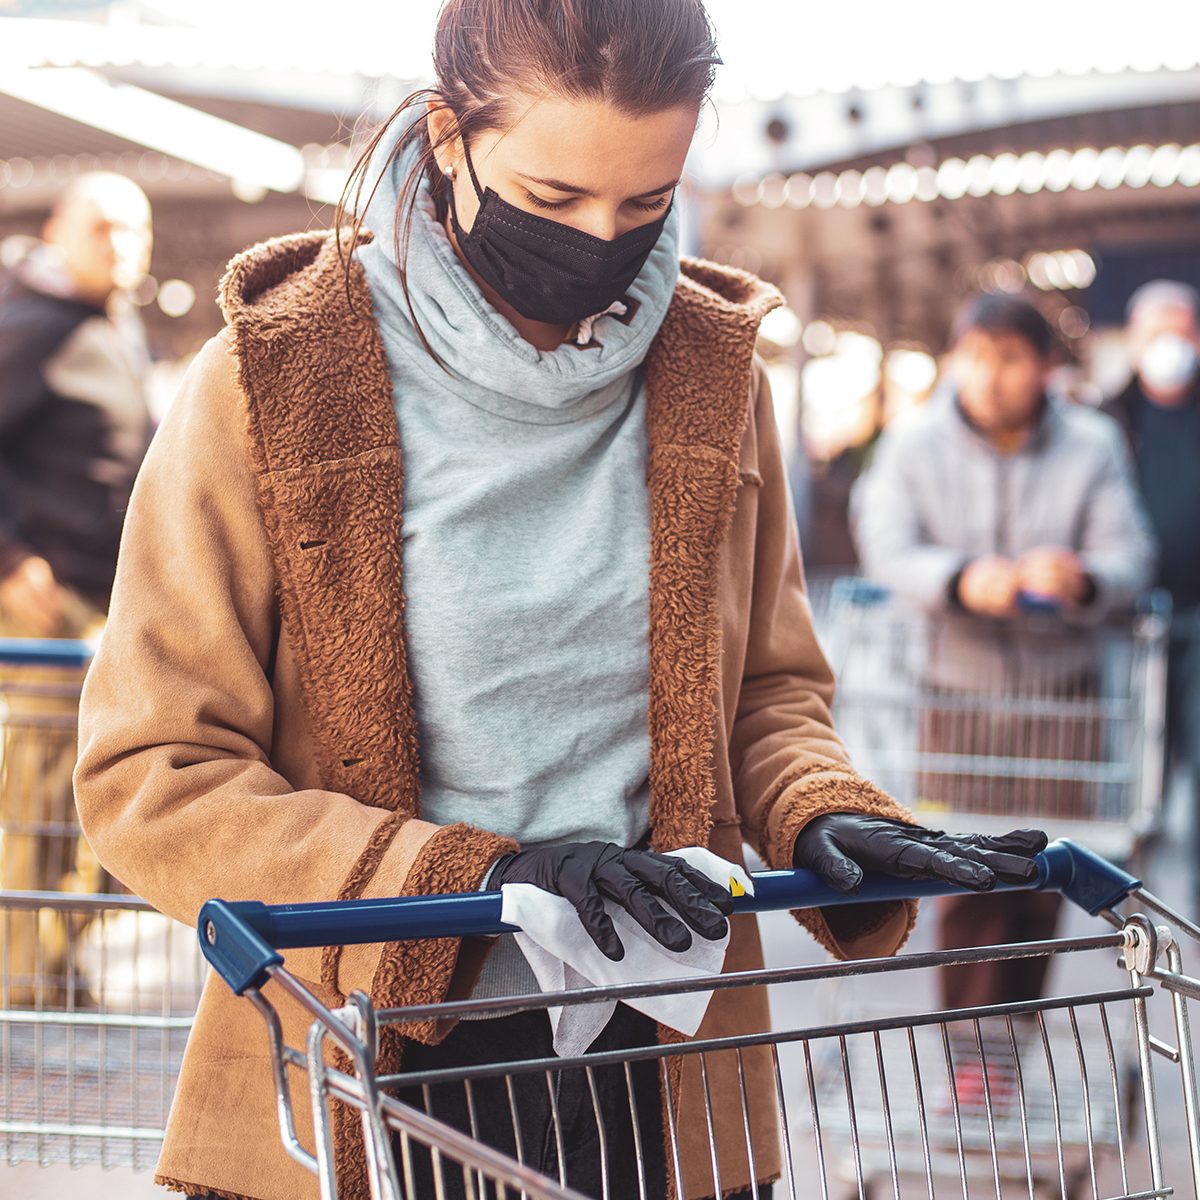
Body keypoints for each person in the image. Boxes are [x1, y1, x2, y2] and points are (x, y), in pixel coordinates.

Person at [73, 6, 1044, 1199]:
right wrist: (477, 882)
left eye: (646, 205)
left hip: (668, 1046)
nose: (601, 241)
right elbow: (153, 771)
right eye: (554, 195)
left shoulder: (714, 374)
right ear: (447, 136)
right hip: (364, 1055)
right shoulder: (272, 381)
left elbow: (769, 689)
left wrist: (815, 806)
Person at [852, 293, 1155, 1010]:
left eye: (1010, 358)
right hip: (953, 698)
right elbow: (887, 546)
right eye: (976, 357)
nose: (990, 376)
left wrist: (1084, 579)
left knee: (1045, 877)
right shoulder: (913, 442)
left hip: (1064, 705)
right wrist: (957, 579)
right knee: (961, 877)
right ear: (955, 360)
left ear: (1047, 366)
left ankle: (1008, 1045)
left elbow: (1131, 553)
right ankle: (971, 1053)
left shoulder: (1093, 444)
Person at [0, 171, 153, 1006]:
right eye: (104, 229)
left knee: (90, 784)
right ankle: (23, 976)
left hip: (107, 598)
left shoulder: (111, 323)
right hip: (52, 600)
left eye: (136, 231)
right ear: (59, 229)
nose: (123, 247)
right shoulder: (32, 323)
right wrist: (9, 557)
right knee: (46, 785)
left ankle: (48, 957)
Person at [1103, 280, 1200, 898]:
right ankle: (1133, 898)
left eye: (1182, 329)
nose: (1171, 343)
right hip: (1130, 624)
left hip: (1199, 614)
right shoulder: (1109, 417)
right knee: (1136, 770)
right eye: (1157, 331)